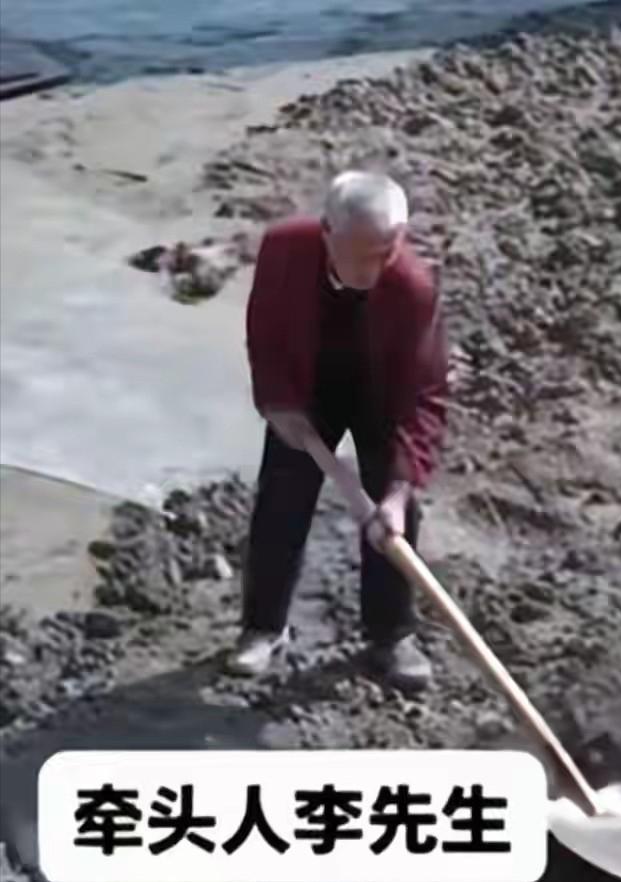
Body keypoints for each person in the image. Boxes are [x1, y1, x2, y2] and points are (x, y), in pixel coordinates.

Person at [225, 170, 450, 692]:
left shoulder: (413, 288)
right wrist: (278, 403)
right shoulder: (284, 249)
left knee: (394, 521)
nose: (371, 269)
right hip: (308, 386)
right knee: (281, 498)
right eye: (359, 254)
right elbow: (265, 334)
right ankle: (263, 627)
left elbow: (425, 393)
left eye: (383, 253)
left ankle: (391, 634)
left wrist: (397, 492)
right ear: (327, 231)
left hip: (382, 393)